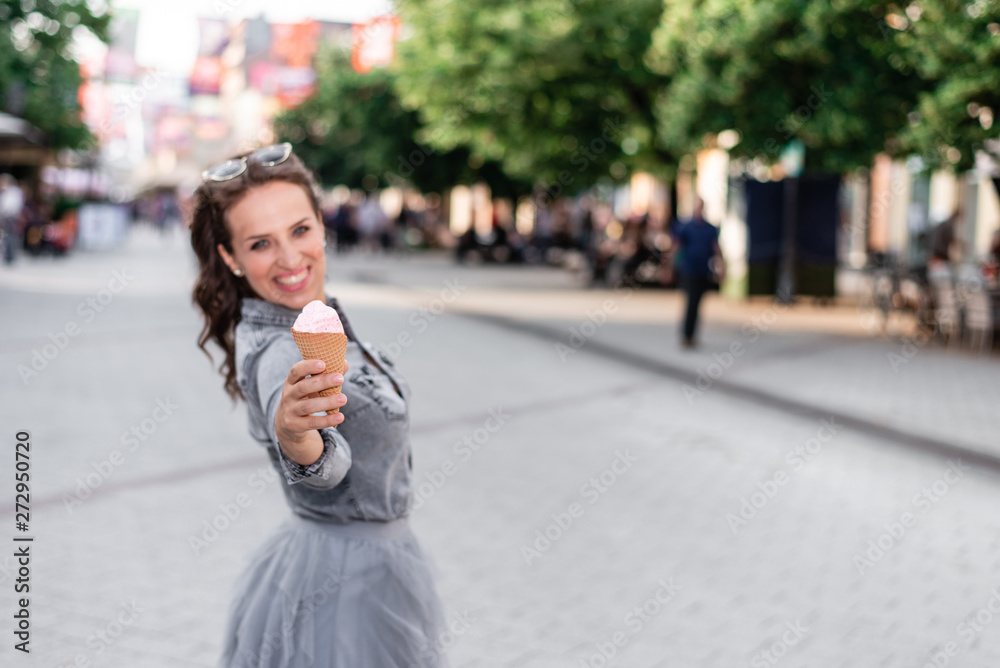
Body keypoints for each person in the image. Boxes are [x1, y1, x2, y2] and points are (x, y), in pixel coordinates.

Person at [188, 143, 449, 668]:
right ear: (231, 258)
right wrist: (295, 436)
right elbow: (322, 464)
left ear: (323, 226)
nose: (289, 259)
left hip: (365, 563)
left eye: (300, 230)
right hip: (345, 588)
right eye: (261, 243)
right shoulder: (279, 352)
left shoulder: (316, 315)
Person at [672, 197, 721, 348]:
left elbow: (716, 248)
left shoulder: (710, 229)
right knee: (691, 303)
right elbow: (677, 247)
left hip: (703, 270)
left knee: (698, 304)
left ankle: (692, 334)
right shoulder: (686, 227)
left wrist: (721, 267)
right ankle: (687, 335)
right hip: (689, 269)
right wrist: (669, 267)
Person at [0, 174, 25, 264]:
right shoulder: (15, 191)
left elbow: (7, 206)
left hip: (10, 217)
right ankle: (9, 255)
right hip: (10, 216)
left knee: (11, 236)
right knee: (10, 236)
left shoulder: (12, 192)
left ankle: (10, 255)